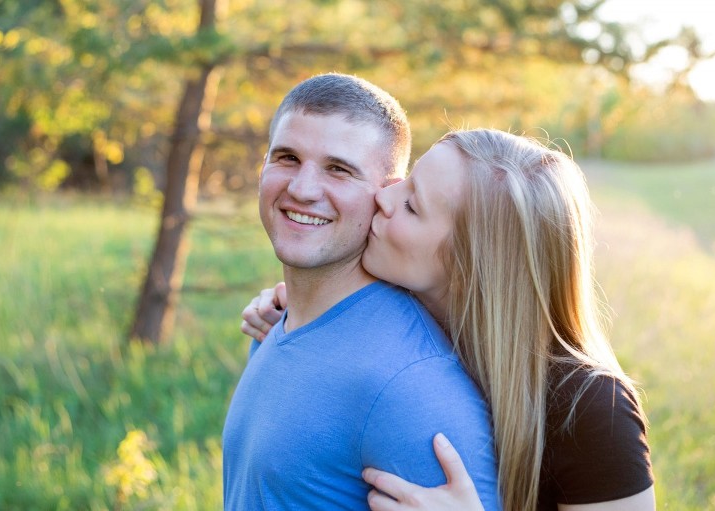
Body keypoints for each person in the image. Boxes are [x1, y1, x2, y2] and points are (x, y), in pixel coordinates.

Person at [242, 129, 655, 510]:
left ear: (470, 264)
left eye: (411, 204)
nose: (383, 197)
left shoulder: (592, 409)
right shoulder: (409, 317)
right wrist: (298, 309)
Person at [222, 73, 500, 510]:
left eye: (339, 169)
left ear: (389, 194)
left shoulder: (411, 384)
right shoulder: (280, 323)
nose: (302, 189)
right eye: (287, 158)